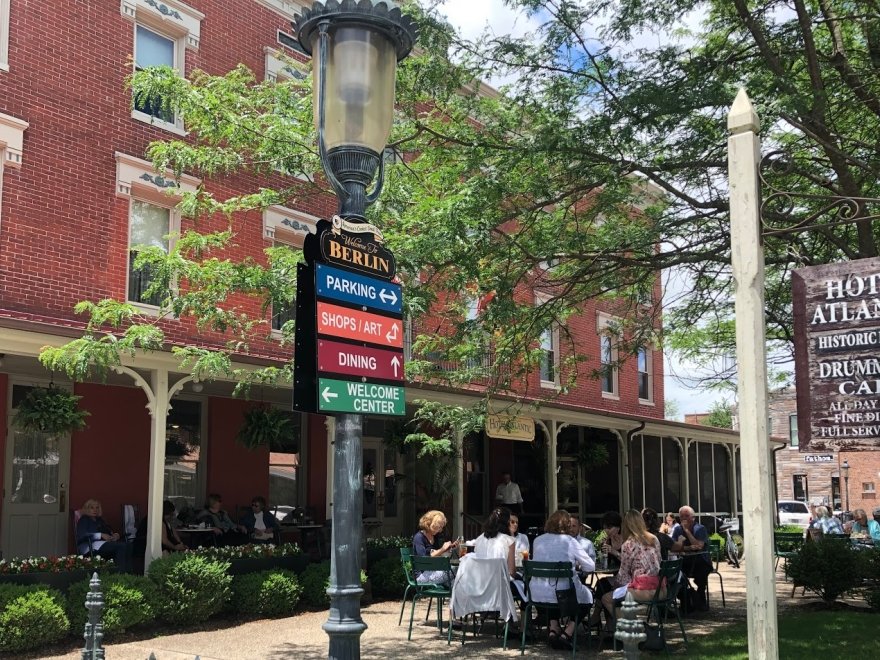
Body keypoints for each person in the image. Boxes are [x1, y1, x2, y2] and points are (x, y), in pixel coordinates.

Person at [530, 510, 594, 651]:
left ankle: (553, 629)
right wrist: (576, 562)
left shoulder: (537, 540)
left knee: (553, 589)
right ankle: (567, 634)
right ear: (566, 525)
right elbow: (590, 566)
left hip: (537, 593)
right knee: (588, 597)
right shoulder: (570, 541)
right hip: (563, 592)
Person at [593, 510, 661, 633]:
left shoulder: (629, 543)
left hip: (641, 586)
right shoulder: (654, 539)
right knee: (605, 586)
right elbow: (659, 561)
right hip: (659, 585)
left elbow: (623, 576)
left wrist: (615, 587)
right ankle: (612, 627)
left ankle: (635, 631)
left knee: (606, 597)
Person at [671, 505, 711, 611]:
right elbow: (673, 547)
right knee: (674, 573)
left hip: (700, 561)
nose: (684, 518)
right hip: (684, 561)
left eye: (687, 516)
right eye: (681, 516)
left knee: (702, 569)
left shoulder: (700, 528)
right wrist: (688, 548)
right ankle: (686, 598)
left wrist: (687, 531)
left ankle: (700, 596)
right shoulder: (677, 529)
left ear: (693, 517)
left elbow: (698, 546)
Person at [76, 499, 133, 572]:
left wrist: (115, 535)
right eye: (92, 507)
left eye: (97, 508)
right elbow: (82, 535)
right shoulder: (84, 520)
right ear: (87, 509)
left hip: (103, 544)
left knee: (128, 545)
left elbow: (109, 531)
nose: (95, 510)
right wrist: (100, 535)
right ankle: (120, 574)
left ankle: (128, 573)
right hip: (89, 545)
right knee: (121, 547)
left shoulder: (100, 520)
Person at [412, 510, 457, 585]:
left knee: (456, 583)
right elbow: (424, 560)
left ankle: (457, 595)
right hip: (422, 576)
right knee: (457, 569)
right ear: (431, 523)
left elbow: (437, 555)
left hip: (435, 572)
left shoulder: (435, 537)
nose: (440, 530)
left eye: (441, 527)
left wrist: (447, 549)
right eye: (438, 527)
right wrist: (442, 549)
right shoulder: (419, 537)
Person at [474, 507, 516, 577]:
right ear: (507, 523)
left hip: (480, 583)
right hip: (499, 584)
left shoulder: (479, 539)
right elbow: (511, 572)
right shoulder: (509, 540)